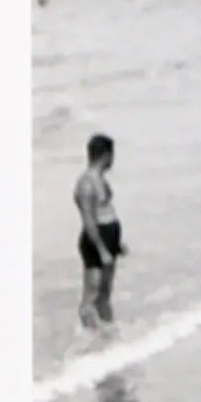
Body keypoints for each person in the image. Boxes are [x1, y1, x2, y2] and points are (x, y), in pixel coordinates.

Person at [74, 133, 125, 328]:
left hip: (108, 238)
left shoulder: (101, 180)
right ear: (105, 155)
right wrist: (102, 249)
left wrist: (116, 244)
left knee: (105, 293)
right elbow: (89, 221)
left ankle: (107, 334)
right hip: (96, 240)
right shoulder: (86, 184)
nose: (113, 160)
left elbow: (106, 211)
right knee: (92, 293)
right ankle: (86, 335)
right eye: (112, 155)